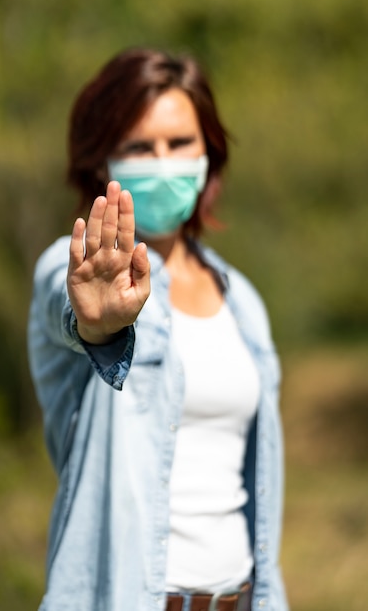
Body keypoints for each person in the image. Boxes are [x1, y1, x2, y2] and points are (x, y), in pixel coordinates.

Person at [28, 47, 289, 611]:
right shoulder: (68, 269)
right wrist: (100, 324)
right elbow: (72, 311)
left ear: (208, 155)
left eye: (179, 144)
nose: (164, 161)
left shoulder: (241, 298)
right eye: (140, 147)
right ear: (103, 162)